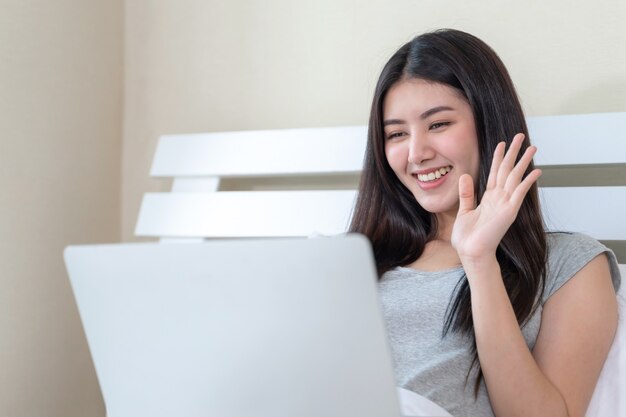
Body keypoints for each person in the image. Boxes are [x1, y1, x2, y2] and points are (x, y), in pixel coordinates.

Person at [349, 29, 621, 417]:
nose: (416, 153)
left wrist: (479, 261)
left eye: (438, 124)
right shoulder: (354, 259)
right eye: (396, 134)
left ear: (489, 121)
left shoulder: (570, 263)